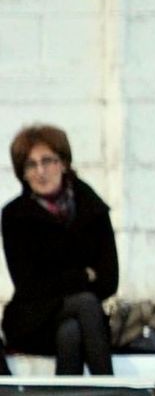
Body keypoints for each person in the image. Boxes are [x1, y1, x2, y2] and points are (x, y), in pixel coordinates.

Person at [3, 125, 117, 375]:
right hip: (32, 321)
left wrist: (58, 285)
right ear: (23, 173)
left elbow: (109, 281)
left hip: (79, 323)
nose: (40, 171)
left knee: (71, 332)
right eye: (30, 165)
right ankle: (109, 395)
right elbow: (28, 286)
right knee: (85, 302)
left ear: (63, 163)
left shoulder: (92, 208)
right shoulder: (15, 216)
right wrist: (83, 276)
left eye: (47, 161)